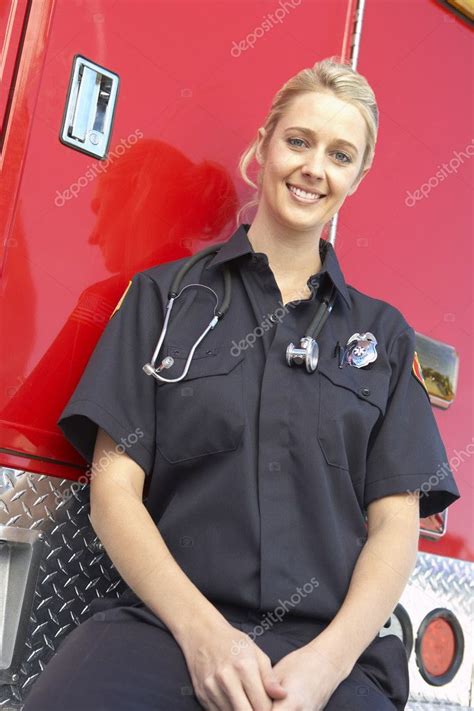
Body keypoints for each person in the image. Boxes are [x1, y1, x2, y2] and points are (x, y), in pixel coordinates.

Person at [23, 56, 460, 711]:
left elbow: (395, 527)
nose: (314, 167)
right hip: (170, 625)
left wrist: (325, 665)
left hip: (330, 647)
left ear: (357, 177)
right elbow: (115, 488)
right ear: (264, 143)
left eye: (341, 155)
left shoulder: (384, 337)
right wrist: (204, 637)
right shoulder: (161, 300)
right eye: (299, 141)